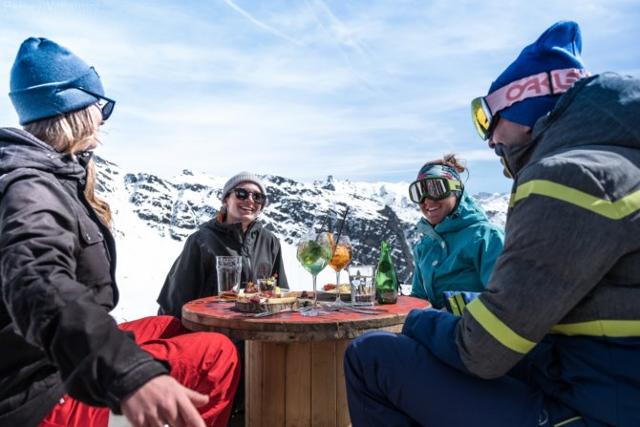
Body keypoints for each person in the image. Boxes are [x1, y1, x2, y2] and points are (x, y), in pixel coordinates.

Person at [344, 20, 640, 426]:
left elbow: (487, 347)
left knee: (369, 357)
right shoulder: (619, 163)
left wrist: (417, 321)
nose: (489, 140)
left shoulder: (568, 177)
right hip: (592, 380)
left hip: (594, 405)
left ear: (525, 105)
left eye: (487, 118)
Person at [0, 37, 240, 427]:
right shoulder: (32, 185)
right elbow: (37, 279)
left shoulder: (44, 170)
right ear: (76, 108)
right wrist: (131, 376)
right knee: (215, 352)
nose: (104, 119)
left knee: (173, 326)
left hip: (43, 357)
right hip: (39, 391)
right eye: (102, 106)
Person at [157, 171, 288, 317]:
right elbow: (175, 300)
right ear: (226, 200)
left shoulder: (270, 241)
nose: (250, 200)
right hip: (213, 331)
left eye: (258, 197)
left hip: (258, 332)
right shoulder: (201, 241)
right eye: (241, 194)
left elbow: (282, 294)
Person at [408, 154, 504, 309]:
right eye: (419, 192)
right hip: (436, 328)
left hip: (475, 329)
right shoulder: (425, 246)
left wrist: (450, 310)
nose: (427, 201)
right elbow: (418, 298)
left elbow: (505, 297)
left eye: (436, 189)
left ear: (456, 191)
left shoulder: (486, 237)